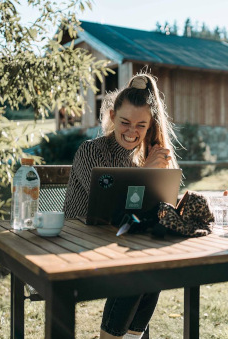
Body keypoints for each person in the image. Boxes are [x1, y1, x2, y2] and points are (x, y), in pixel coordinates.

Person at [63, 72, 179, 339]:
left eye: (141, 125)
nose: (132, 132)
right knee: (138, 265)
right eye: (125, 122)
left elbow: (150, 211)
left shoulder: (146, 155)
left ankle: (128, 337)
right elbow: (108, 209)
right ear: (113, 116)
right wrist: (147, 174)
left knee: (153, 264)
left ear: (150, 125)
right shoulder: (91, 151)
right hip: (80, 243)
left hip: (120, 243)